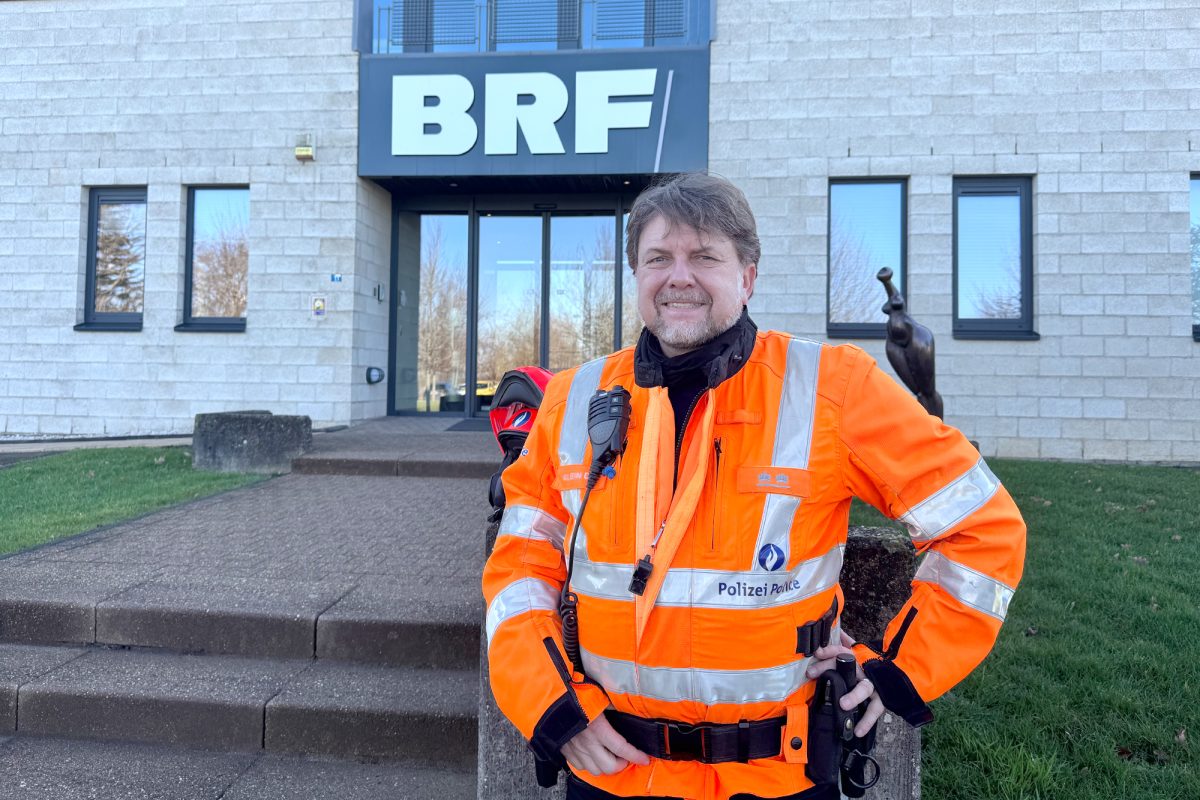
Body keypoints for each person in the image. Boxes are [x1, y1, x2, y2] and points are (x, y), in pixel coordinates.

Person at [482, 173, 1026, 800]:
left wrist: (899, 670)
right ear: (636, 277)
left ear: (747, 276)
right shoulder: (572, 401)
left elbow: (983, 528)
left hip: (778, 776)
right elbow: (520, 567)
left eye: (704, 256)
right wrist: (550, 705)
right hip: (611, 771)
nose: (678, 276)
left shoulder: (834, 388)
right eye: (658, 258)